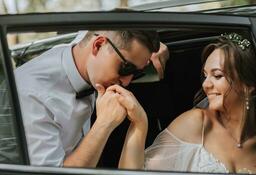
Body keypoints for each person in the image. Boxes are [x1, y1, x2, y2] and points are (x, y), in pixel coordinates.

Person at [119, 33, 256, 175]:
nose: (206, 84)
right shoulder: (196, 124)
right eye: (205, 75)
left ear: (248, 86)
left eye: (217, 75)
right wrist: (140, 123)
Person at [14, 30, 169, 167]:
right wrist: (104, 123)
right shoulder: (32, 94)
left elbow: (105, 27)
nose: (127, 82)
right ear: (98, 45)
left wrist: (149, 48)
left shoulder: (88, 50)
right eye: (126, 68)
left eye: (136, 73)